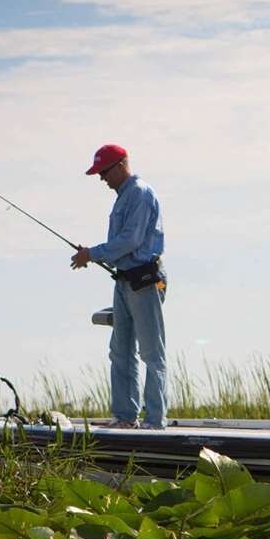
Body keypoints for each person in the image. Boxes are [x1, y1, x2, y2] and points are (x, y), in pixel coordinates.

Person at [71, 144, 168, 429]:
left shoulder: (139, 193)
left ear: (122, 165)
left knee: (151, 352)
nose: (102, 179)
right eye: (99, 173)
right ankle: (125, 417)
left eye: (104, 172)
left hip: (146, 279)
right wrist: (94, 254)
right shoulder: (123, 196)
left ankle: (154, 420)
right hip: (124, 279)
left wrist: (92, 253)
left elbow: (130, 240)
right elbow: (121, 247)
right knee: (121, 350)